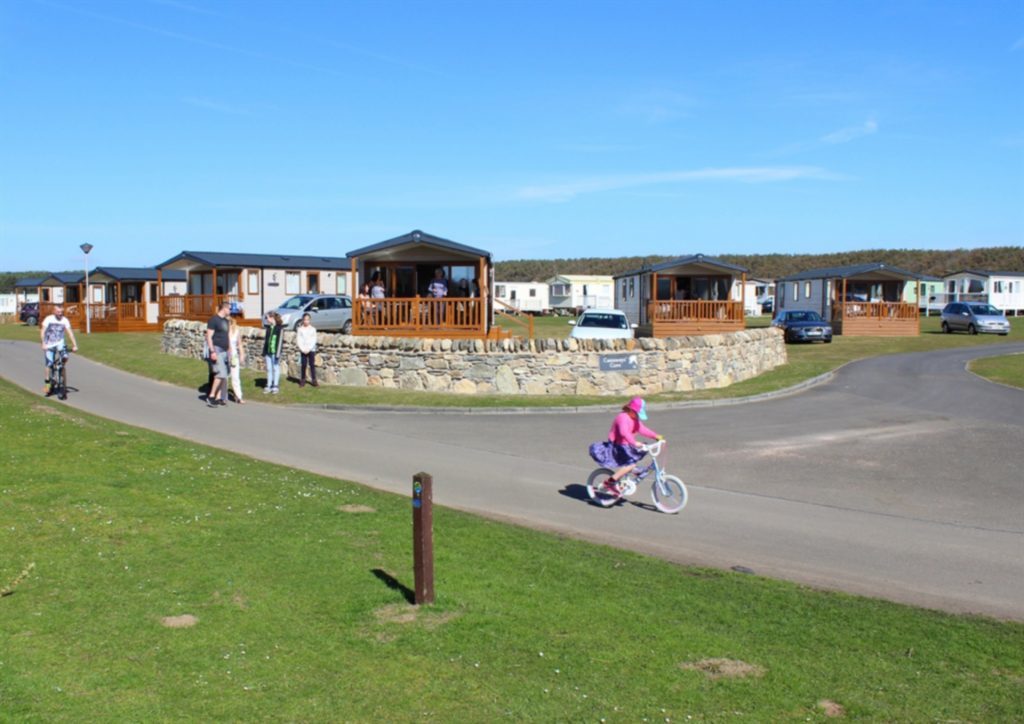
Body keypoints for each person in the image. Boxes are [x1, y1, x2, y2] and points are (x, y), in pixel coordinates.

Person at [588, 397, 663, 495]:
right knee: (630, 463)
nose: (638, 417)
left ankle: (634, 470)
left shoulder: (634, 418)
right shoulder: (622, 417)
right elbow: (624, 433)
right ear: (631, 410)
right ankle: (609, 483)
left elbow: (642, 429)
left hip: (626, 445)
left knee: (639, 453)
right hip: (617, 446)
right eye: (637, 414)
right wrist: (634, 443)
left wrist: (655, 436)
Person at [40, 303, 78, 394]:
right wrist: (43, 343)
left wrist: (75, 345)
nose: (60, 313)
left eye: (61, 312)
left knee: (65, 356)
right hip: (49, 343)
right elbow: (42, 331)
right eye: (58, 312)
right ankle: (47, 385)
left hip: (60, 343)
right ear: (54, 311)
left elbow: (70, 333)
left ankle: (61, 368)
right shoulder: (48, 319)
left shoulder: (65, 320)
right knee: (49, 364)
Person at [204, 301, 231, 408]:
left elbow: (226, 336)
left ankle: (218, 397)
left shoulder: (226, 321)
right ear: (224, 308)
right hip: (217, 349)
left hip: (225, 351)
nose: (230, 311)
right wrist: (212, 351)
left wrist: (229, 349)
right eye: (229, 309)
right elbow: (209, 337)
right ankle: (211, 396)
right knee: (221, 374)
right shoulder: (213, 320)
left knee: (223, 375)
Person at [262, 311, 284, 394]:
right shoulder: (268, 328)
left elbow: (280, 342)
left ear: (272, 318)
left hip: (275, 352)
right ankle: (269, 385)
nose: (266, 319)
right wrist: (264, 352)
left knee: (275, 368)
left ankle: (275, 385)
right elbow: (266, 341)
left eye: (267, 317)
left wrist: (278, 354)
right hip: (268, 352)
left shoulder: (279, 328)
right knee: (269, 369)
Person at [227, 316, 246, 404]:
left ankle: (239, 396)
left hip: (234, 356)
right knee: (224, 377)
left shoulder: (236, 331)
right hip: (224, 355)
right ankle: (222, 396)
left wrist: (242, 355)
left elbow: (240, 344)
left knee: (235, 377)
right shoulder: (223, 331)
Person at [295, 312, 318, 387]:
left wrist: (309, 348)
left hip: (311, 350)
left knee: (312, 365)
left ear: (310, 320)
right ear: (302, 320)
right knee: (303, 365)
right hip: (303, 350)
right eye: (305, 320)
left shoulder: (313, 329)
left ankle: (314, 380)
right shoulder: (300, 329)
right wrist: (303, 349)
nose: (306, 321)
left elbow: (314, 340)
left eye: (307, 320)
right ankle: (302, 380)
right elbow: (299, 340)